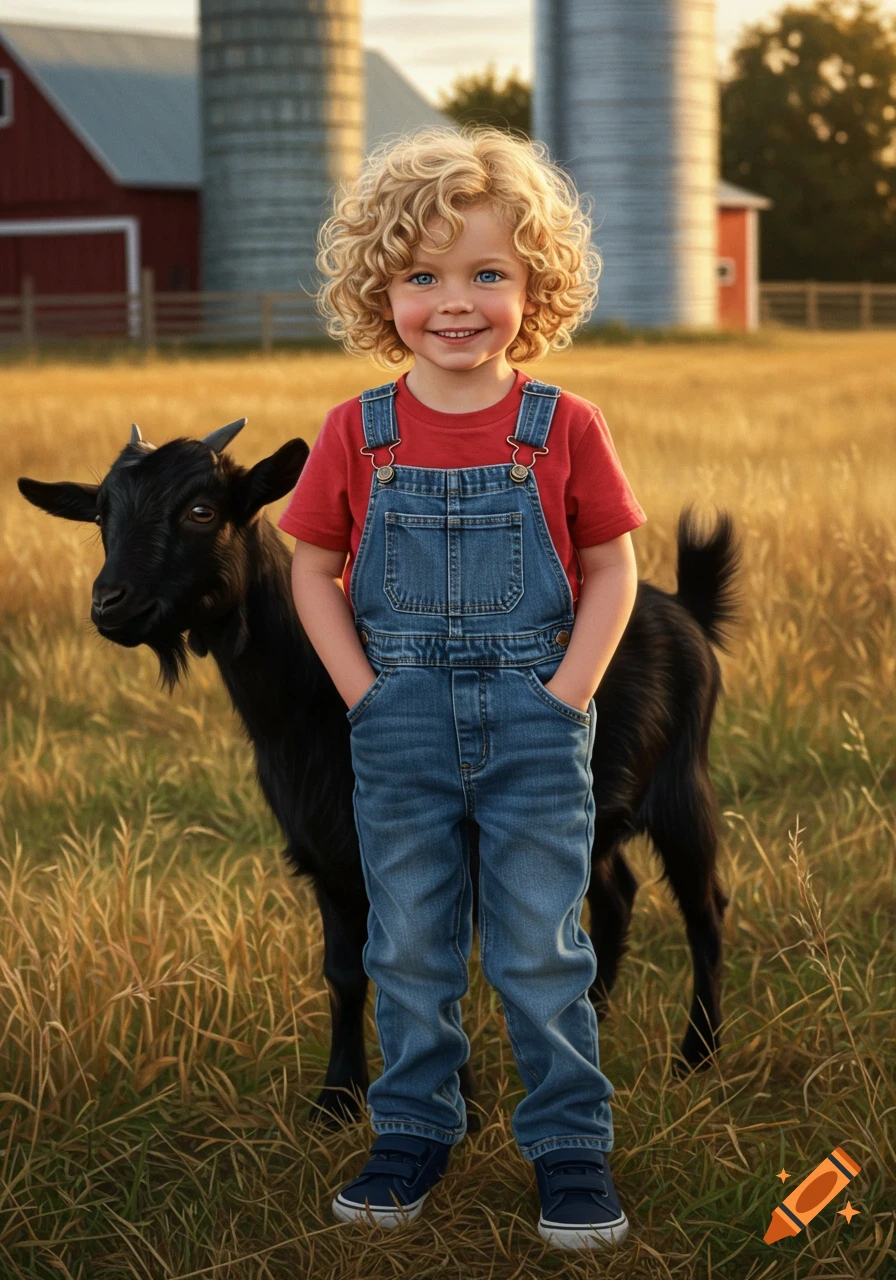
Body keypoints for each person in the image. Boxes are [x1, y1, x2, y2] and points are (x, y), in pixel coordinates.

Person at [279, 125, 646, 1251]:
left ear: (533, 287)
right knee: (408, 943)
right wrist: (361, 694)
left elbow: (608, 566)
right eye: (422, 275)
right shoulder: (359, 430)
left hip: (534, 721)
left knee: (541, 944)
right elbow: (311, 564)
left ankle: (568, 1143)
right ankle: (413, 1127)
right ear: (376, 288)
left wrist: (565, 693)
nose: (454, 302)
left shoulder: (561, 425)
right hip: (398, 726)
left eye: (487, 273)